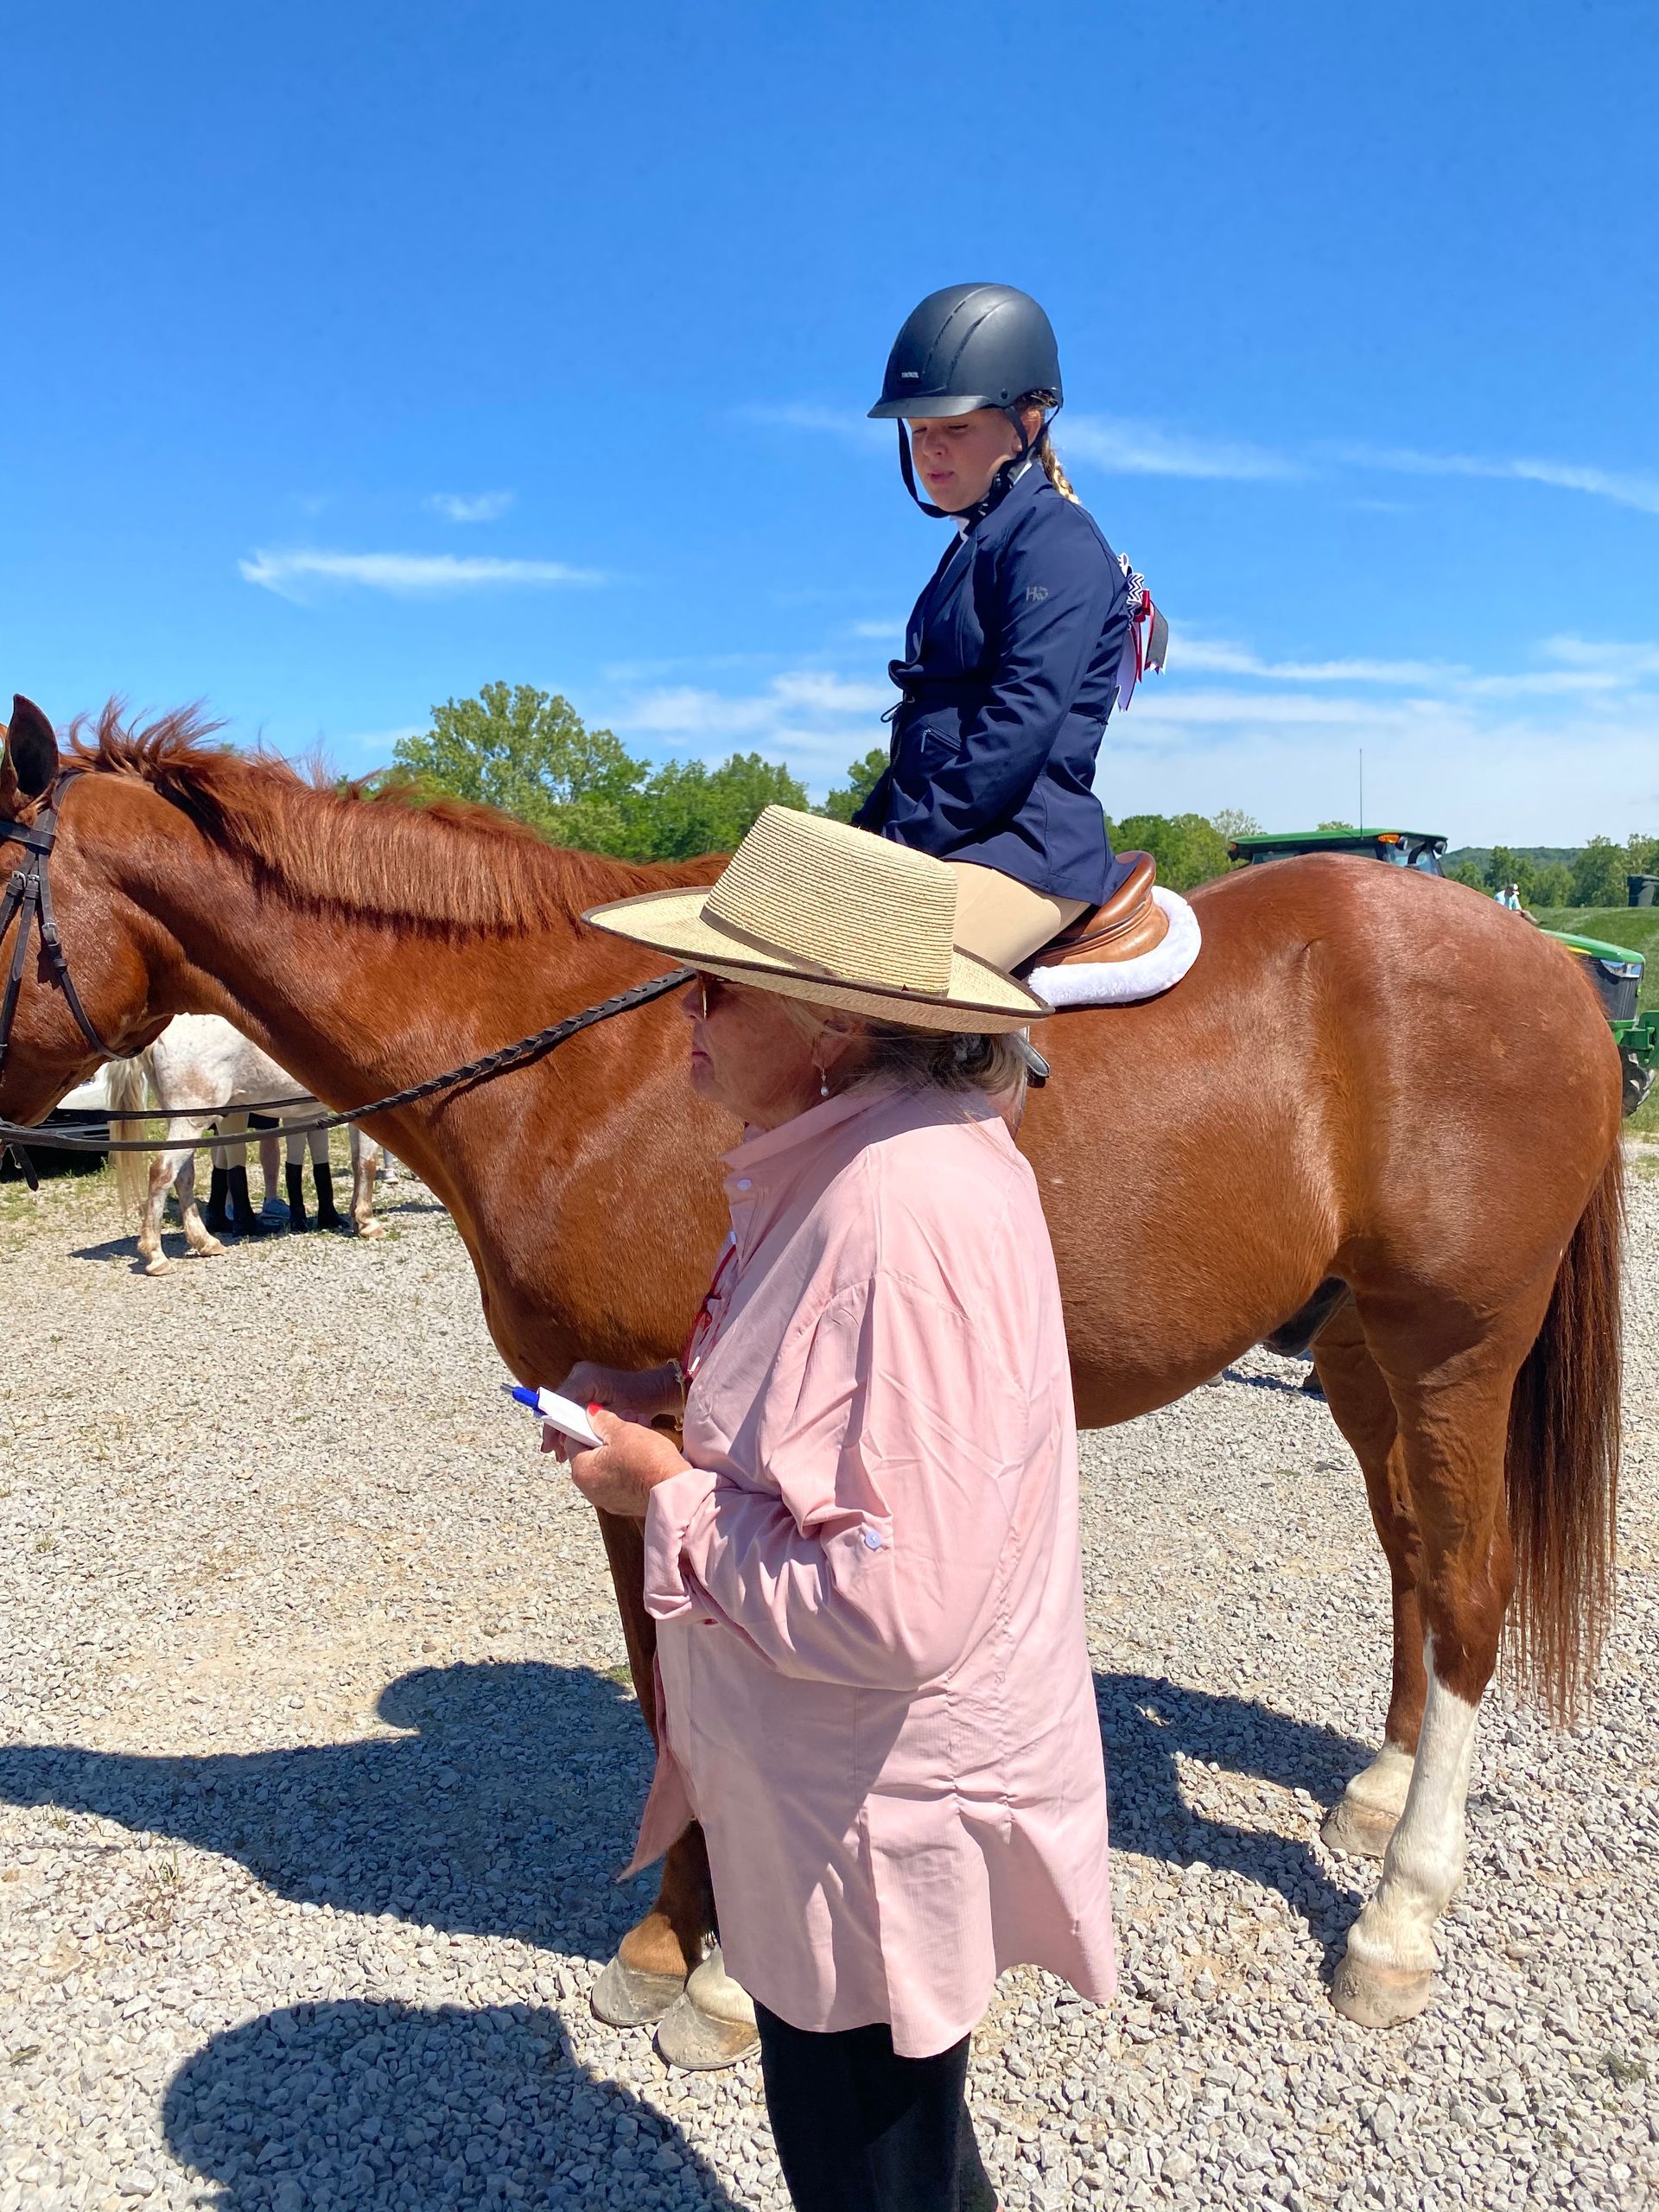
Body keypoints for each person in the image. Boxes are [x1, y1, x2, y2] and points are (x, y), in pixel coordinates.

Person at [549, 806, 1115, 2212]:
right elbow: (836, 1413)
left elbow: (896, 1603)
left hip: (864, 1828)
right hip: (848, 1802)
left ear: (829, 1029)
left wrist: (661, 1493)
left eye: (721, 984)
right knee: (908, 2153)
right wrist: (669, 1389)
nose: (688, 1010)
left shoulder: (887, 1211)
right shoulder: (861, 1161)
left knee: (870, 2168)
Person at [853, 282, 1165, 972]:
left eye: (955, 428)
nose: (931, 450)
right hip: (955, 837)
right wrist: (863, 839)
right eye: (919, 431)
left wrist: (906, 842)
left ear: (1029, 416)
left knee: (879, 981)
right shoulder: (978, 542)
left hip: (1023, 851)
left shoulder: (1055, 541)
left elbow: (1019, 724)